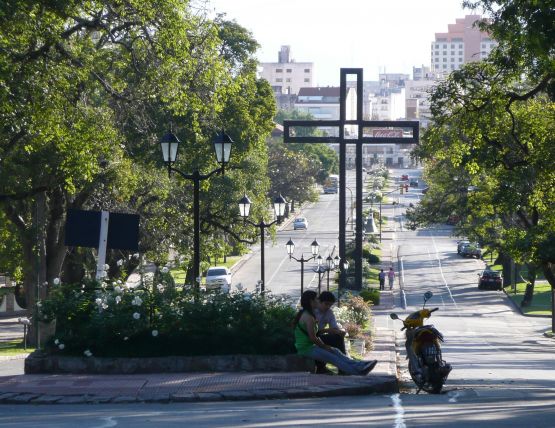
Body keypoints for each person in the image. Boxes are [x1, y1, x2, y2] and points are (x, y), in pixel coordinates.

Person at [293, 290, 377, 376]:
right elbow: (313, 337)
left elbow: (317, 335)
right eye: (316, 299)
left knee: (335, 351)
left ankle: (360, 365)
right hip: (306, 349)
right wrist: (324, 346)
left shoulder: (308, 314)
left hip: (311, 346)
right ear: (311, 301)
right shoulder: (308, 317)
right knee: (333, 358)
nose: (318, 301)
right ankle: (357, 372)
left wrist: (329, 343)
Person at [314, 291, 347, 374]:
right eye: (326, 304)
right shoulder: (312, 311)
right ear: (319, 302)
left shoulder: (329, 313)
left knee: (338, 337)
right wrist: (327, 330)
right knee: (325, 341)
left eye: (330, 305)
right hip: (309, 337)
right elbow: (310, 331)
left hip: (319, 336)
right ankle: (321, 368)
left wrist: (340, 331)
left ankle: (343, 368)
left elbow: (334, 327)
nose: (328, 307)